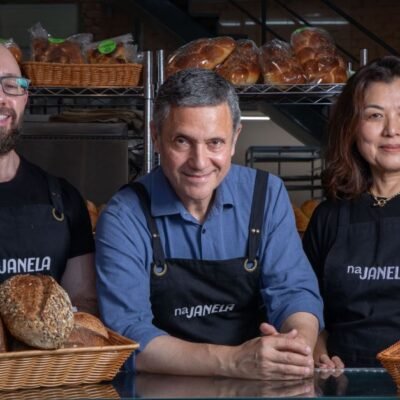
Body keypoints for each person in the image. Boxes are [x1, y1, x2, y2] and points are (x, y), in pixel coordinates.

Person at [95, 68, 323, 380]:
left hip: (257, 385)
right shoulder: (124, 215)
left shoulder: (265, 195)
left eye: (215, 142)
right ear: (156, 137)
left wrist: (296, 349)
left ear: (235, 140)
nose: (200, 162)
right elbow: (129, 336)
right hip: (160, 387)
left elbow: (294, 292)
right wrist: (234, 361)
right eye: (182, 141)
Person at [303, 55, 400, 368]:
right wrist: (319, 357)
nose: (392, 130)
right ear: (352, 126)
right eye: (374, 115)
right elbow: (306, 309)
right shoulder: (328, 216)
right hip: (344, 385)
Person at [0, 44, 97, 314]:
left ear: (25, 97)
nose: (2, 99)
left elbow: (83, 302)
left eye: (11, 85)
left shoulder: (63, 200)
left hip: (47, 358)